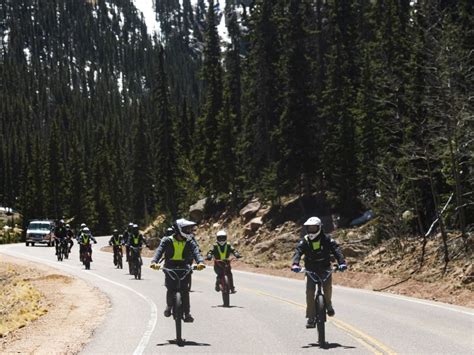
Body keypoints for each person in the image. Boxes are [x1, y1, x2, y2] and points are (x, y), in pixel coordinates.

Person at [291, 217, 347, 328]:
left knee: (327, 288)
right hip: (311, 269)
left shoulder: (327, 239)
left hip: (325, 268)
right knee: (310, 292)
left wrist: (341, 263)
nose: (311, 230)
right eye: (309, 228)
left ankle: (329, 306)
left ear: (319, 227)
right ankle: (311, 317)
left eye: (314, 228)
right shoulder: (304, 241)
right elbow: (298, 252)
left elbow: (337, 250)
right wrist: (295, 264)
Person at [150, 218, 205, 323]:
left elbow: (196, 251)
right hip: (170, 267)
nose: (189, 231)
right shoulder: (167, 240)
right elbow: (159, 251)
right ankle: (169, 306)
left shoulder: (189, 241)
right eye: (186, 229)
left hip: (184, 267)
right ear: (179, 229)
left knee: (185, 291)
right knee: (170, 288)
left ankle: (187, 313)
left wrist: (200, 262)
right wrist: (154, 262)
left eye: (189, 229)